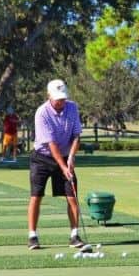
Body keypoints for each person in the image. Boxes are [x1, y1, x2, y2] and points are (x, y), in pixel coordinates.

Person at [26, 79, 90, 251]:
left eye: (63, 98)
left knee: (72, 196)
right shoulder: (42, 113)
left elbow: (76, 135)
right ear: (49, 96)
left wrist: (71, 157)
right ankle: (33, 236)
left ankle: (74, 235)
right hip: (42, 158)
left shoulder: (72, 107)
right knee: (36, 196)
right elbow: (51, 144)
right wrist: (63, 167)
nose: (61, 102)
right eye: (57, 99)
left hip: (64, 155)